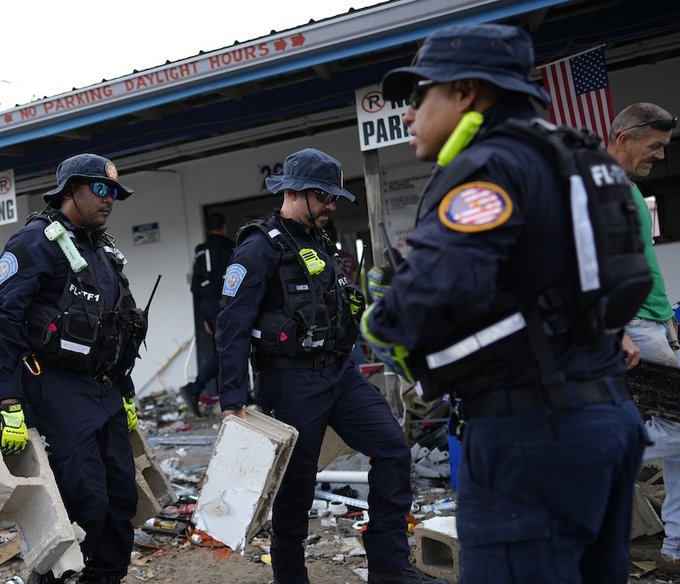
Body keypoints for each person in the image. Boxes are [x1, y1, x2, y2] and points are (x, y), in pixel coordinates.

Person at [363, 24, 647, 582]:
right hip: (608, 420)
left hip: (532, 437)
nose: (407, 114)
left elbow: (419, 305)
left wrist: (383, 311)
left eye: (420, 95)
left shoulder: (490, 168)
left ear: (467, 91)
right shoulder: (582, 158)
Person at [215, 148, 440, 584]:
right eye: (326, 196)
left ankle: (389, 567)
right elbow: (231, 324)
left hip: (340, 374)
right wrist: (232, 399)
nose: (333, 205)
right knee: (296, 489)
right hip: (291, 382)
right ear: (296, 191)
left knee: (393, 447)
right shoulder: (259, 248)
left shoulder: (320, 240)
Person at [0, 153, 145, 584]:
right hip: (57, 391)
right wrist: (10, 400)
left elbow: (117, 327)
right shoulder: (36, 242)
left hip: (106, 392)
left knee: (121, 500)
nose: (110, 200)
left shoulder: (102, 248)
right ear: (71, 190)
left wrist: (125, 394)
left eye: (115, 193)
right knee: (84, 503)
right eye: (101, 189)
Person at [607, 102, 680, 574]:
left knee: (676, 425)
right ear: (624, 138)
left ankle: (675, 549)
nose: (660, 156)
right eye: (654, 146)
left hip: (651, 319)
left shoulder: (626, 188)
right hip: (630, 323)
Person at [181, 212, 233, 414]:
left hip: (207, 304)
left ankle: (199, 388)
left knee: (226, 348)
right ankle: (195, 387)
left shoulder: (200, 251)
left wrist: (203, 316)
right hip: (225, 302)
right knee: (228, 349)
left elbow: (195, 285)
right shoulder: (229, 247)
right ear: (223, 226)